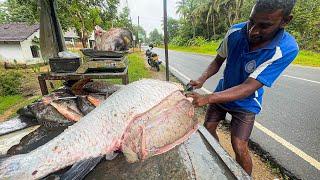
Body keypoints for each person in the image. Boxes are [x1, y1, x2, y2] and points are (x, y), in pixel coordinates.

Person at [186, 0, 298, 175]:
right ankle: (219, 161)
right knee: (208, 129)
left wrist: (207, 98)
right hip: (222, 92)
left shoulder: (286, 49)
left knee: (239, 145)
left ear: (285, 21)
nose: (253, 31)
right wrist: (201, 79)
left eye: (264, 26)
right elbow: (218, 60)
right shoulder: (235, 32)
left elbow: (248, 87)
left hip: (246, 102)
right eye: (251, 21)